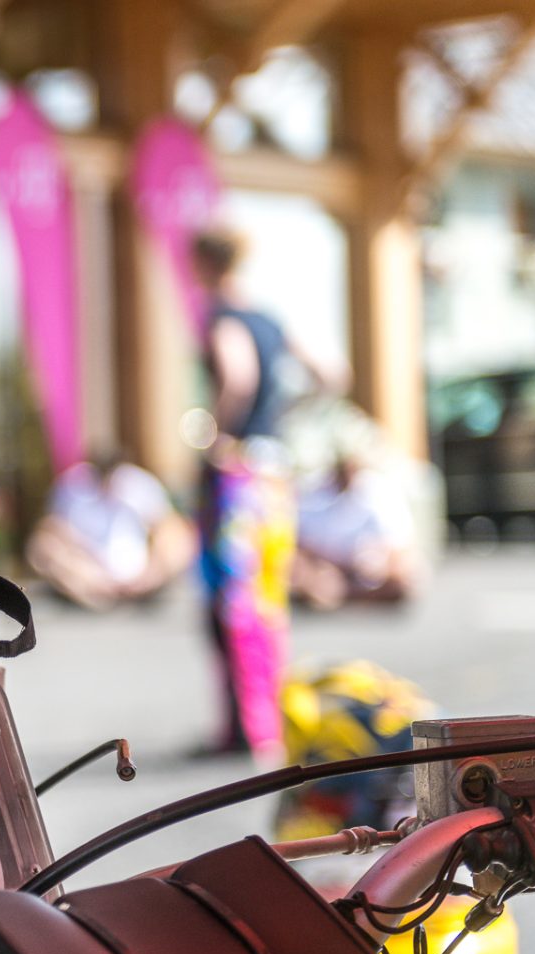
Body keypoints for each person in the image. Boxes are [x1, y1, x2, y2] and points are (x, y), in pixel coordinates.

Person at [191, 227, 311, 764]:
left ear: (203, 263)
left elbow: (238, 376)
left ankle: (247, 728)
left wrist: (219, 433)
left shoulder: (223, 315)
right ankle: (270, 724)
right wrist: (279, 421)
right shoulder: (270, 318)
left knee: (234, 602)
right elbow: (331, 372)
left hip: (239, 475)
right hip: (275, 471)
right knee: (268, 599)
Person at [26, 452, 195, 611]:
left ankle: (135, 591)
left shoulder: (139, 482)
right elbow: (51, 530)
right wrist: (88, 571)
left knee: (180, 537)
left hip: (141, 574)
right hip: (88, 574)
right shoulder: (71, 485)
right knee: (43, 548)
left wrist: (151, 572)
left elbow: (168, 528)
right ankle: (97, 595)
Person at [292, 452, 420, 608]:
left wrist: (377, 562)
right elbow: (300, 541)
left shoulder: (379, 490)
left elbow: (398, 544)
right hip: (327, 569)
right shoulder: (315, 490)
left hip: (372, 571)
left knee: (402, 580)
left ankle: (347, 596)